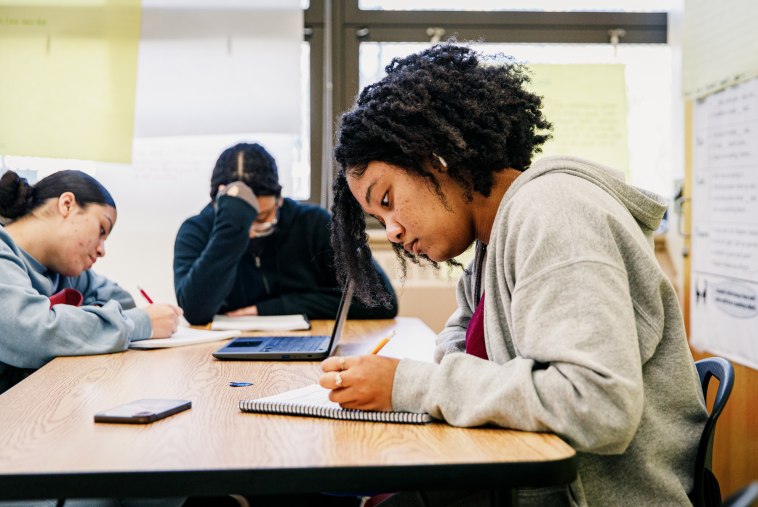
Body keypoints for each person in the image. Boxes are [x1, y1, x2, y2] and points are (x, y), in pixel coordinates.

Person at [319, 43, 708, 506]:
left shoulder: (555, 214)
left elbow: (596, 405)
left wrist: (408, 385)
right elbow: (462, 337)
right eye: (380, 222)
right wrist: (434, 379)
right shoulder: (492, 239)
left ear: (435, 157)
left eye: (387, 201)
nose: (395, 230)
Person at [0, 169, 182, 395]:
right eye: (102, 230)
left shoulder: (65, 273)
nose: (101, 250)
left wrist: (82, 321)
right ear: (67, 205)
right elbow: (31, 331)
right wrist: (137, 323)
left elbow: (122, 301)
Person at [174, 142, 397, 325]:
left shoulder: (314, 224)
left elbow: (381, 299)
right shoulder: (196, 231)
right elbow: (195, 312)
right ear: (216, 204)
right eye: (242, 219)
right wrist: (230, 231)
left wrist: (271, 309)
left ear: (279, 198)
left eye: (260, 217)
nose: (251, 229)